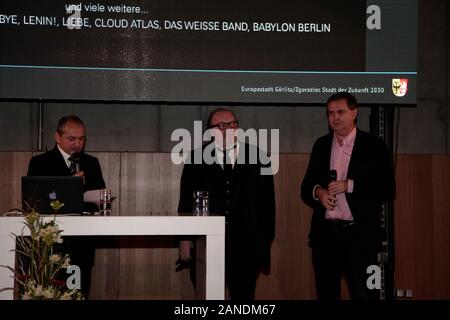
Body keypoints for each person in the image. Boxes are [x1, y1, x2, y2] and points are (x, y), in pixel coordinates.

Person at [300, 92, 395, 300]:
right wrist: (319, 192)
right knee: (326, 294)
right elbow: (306, 187)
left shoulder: (374, 145)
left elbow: (387, 188)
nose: (335, 118)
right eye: (330, 113)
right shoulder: (322, 145)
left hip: (361, 237)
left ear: (354, 112)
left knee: (365, 294)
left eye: (341, 112)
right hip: (326, 237)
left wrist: (349, 185)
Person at [177, 108, 275, 300]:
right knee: (206, 297)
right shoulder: (196, 157)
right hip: (205, 243)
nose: (229, 129)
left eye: (232, 124)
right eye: (222, 125)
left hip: (246, 247)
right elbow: (186, 200)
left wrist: (263, 246)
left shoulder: (259, 156)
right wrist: (185, 239)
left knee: (243, 299)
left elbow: (268, 206)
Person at [26, 115, 106, 298]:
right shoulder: (40, 162)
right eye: (72, 139)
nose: (78, 144)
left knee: (79, 291)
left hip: (83, 241)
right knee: (51, 291)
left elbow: (99, 198)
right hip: (51, 242)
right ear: (57, 137)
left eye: (81, 138)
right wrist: (70, 185)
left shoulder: (91, 163)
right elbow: (35, 201)